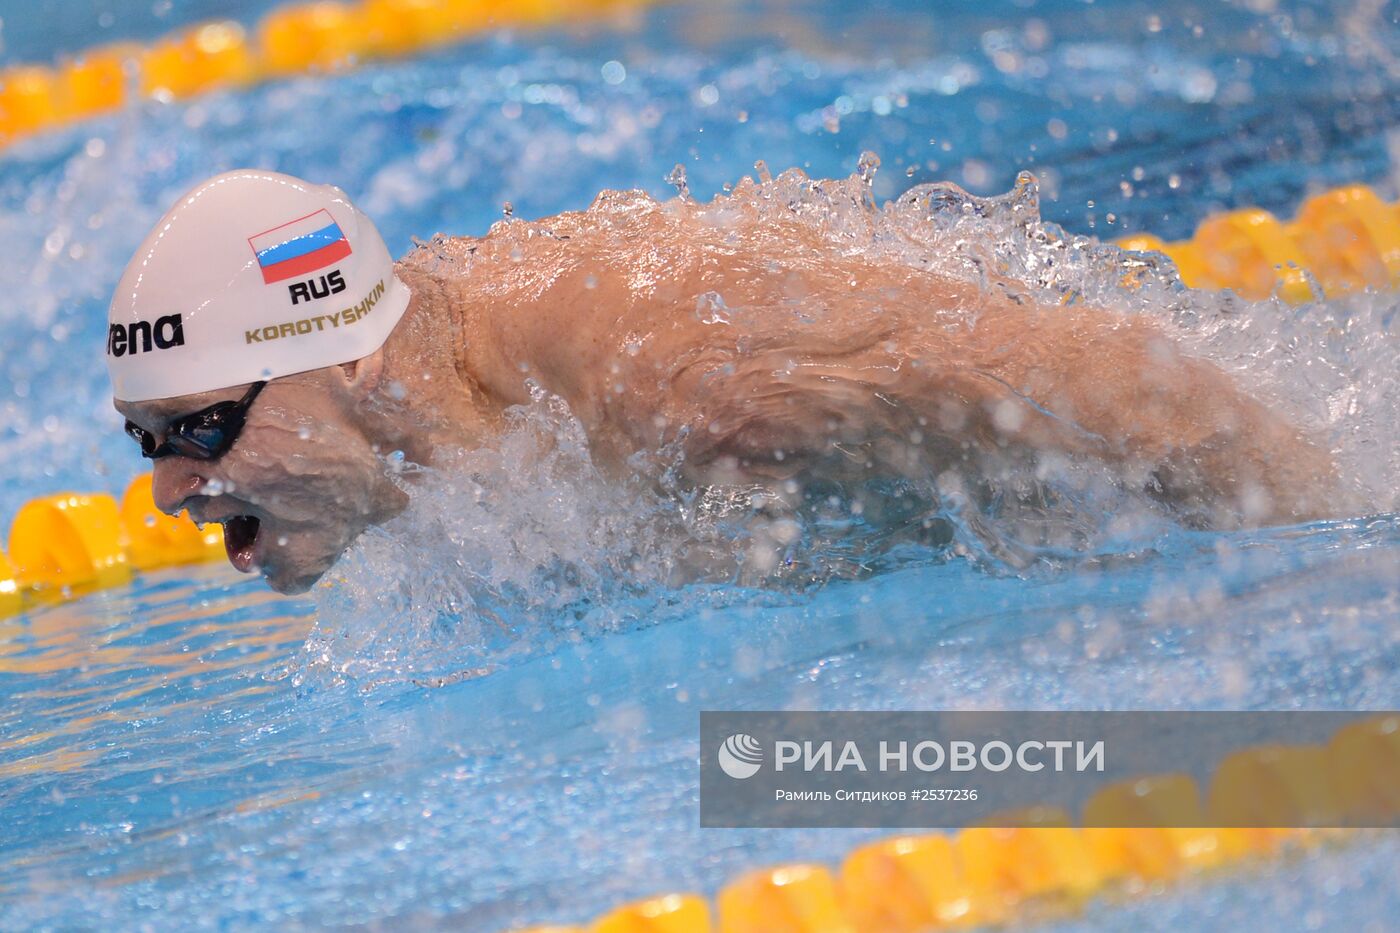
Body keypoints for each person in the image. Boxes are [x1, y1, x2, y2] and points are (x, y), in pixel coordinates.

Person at [109, 170, 1344, 594]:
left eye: (199, 429)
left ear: (348, 360)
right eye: (146, 441)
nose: (168, 491)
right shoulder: (436, 419)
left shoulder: (680, 377)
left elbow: (1130, 384)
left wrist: (1324, 574)